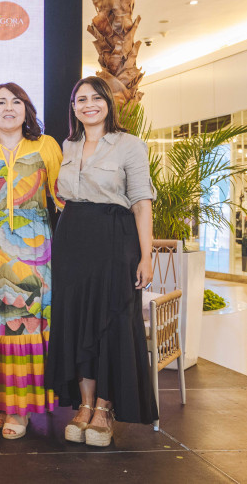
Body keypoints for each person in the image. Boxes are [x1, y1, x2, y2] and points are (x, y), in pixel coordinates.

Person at [45, 76, 158, 447]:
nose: (88, 104)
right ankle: (85, 404)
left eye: (95, 98)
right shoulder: (69, 143)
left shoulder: (130, 145)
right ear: (73, 107)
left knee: (109, 320)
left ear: (108, 102)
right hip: (72, 239)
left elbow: (141, 203)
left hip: (114, 239)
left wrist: (146, 256)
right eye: (80, 99)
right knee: (77, 320)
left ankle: (106, 408)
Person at [0, 83, 64, 440]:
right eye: (0, 102)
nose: (8, 108)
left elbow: (63, 197)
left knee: (25, 320)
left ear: (27, 109)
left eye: (16, 102)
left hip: (34, 249)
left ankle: (21, 411)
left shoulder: (46, 145)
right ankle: (7, 400)